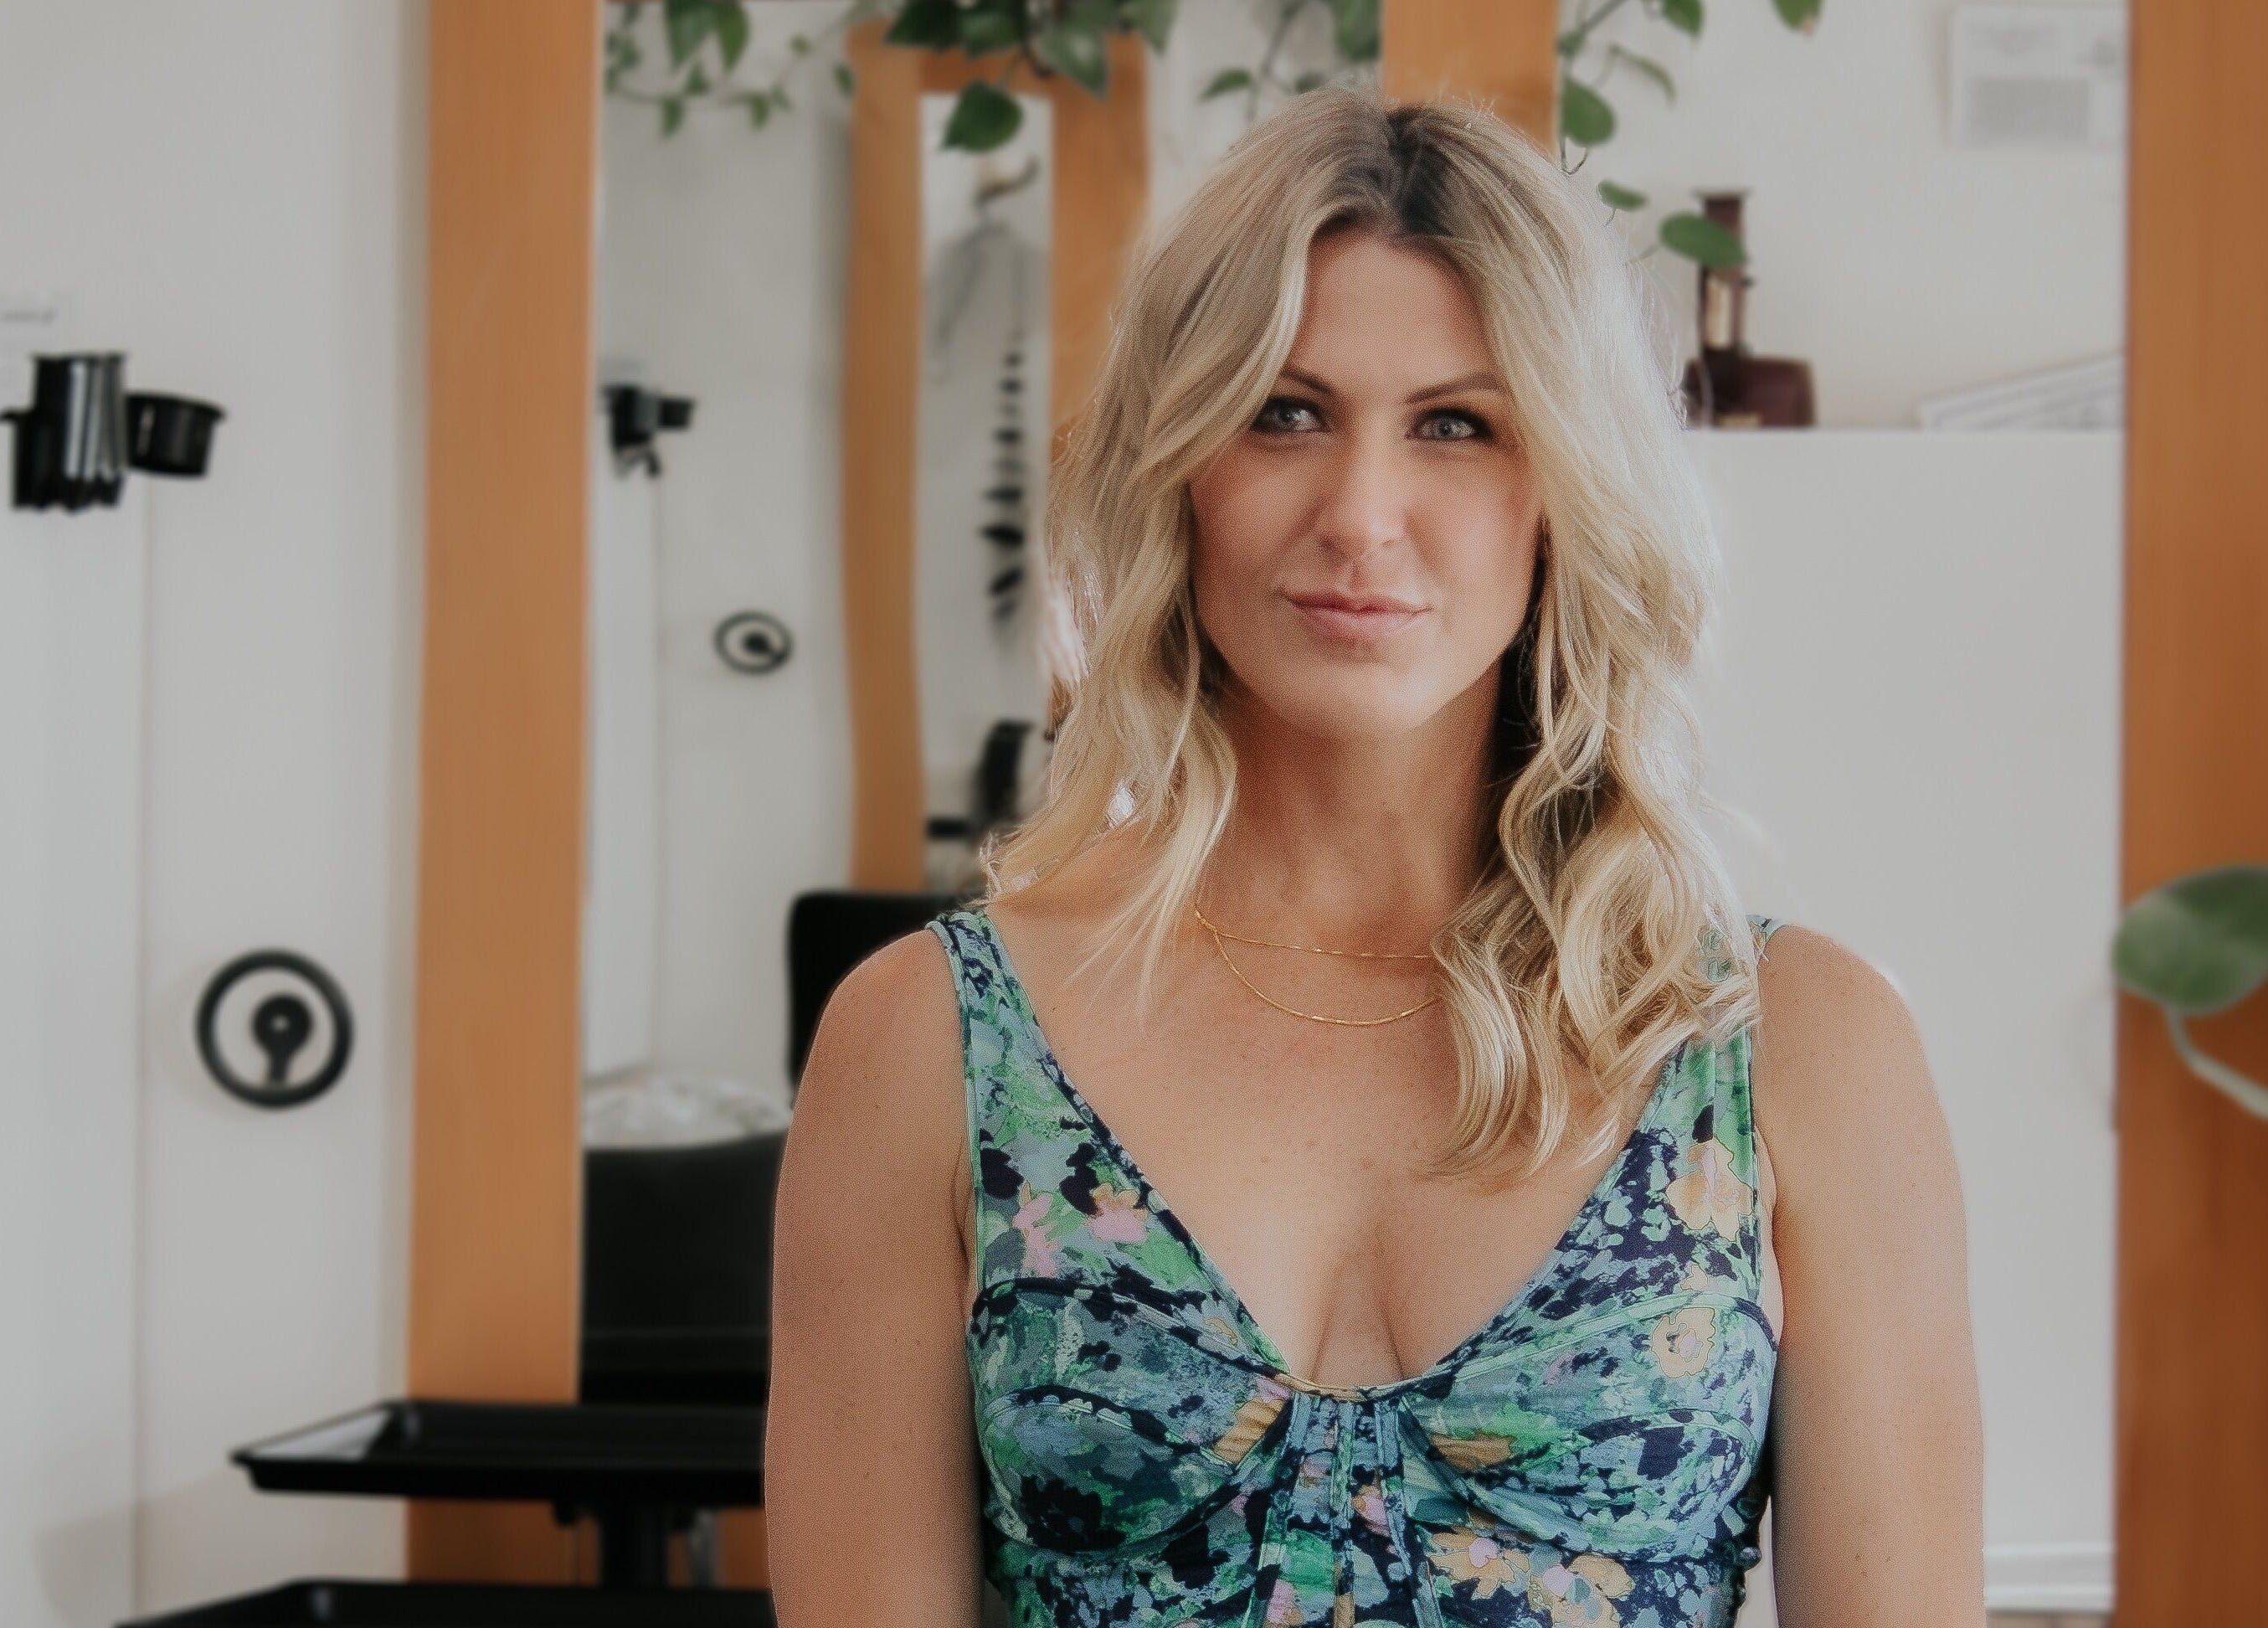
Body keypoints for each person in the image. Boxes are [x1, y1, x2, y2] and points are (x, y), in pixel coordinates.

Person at [765, 85, 1983, 1627]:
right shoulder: (925, 1039)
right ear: (1177, 468)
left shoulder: (1788, 1043)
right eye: (1283, 412)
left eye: (1456, 426)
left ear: (1565, 496)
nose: (1361, 515)